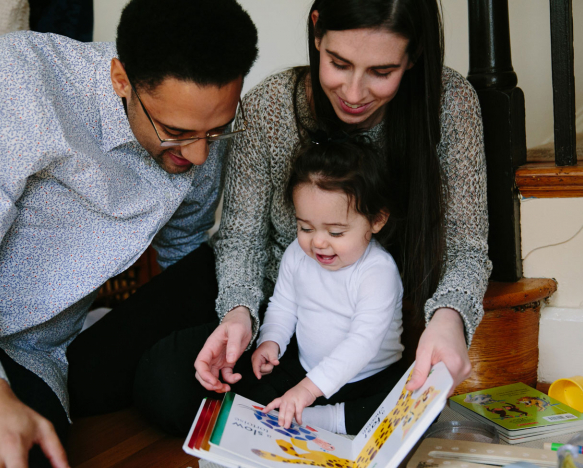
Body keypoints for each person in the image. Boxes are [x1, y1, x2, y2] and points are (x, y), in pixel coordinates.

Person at [0, 0, 258, 468]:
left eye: (216, 131)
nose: (199, 155)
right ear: (121, 79)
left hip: (32, 357)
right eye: (176, 132)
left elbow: (184, 253)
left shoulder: (202, 135)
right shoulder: (24, 75)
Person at [133, 0, 491, 437]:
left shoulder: (450, 104)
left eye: (381, 72)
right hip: (271, 302)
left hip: (366, 336)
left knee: (409, 409)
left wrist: (451, 316)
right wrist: (240, 313)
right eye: (339, 64)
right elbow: (241, 239)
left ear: (413, 55)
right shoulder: (269, 106)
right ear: (317, 32)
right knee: (150, 379)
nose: (354, 94)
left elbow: (467, 248)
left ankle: (315, 413)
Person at [247, 136, 404, 431]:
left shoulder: (377, 272)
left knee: (404, 406)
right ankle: (297, 412)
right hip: (307, 369)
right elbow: (283, 305)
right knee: (250, 394)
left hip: (368, 376)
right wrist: (271, 341)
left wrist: (308, 390)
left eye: (335, 233)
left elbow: (362, 343)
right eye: (305, 227)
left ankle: (327, 419)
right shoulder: (297, 254)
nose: (318, 242)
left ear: (377, 220)